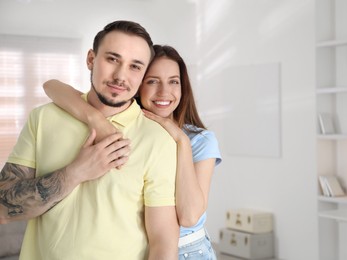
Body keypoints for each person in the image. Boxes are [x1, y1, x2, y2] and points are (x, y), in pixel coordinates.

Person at [0, 21, 179, 259]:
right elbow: (3, 207)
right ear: (91, 60)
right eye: (112, 59)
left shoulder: (157, 139)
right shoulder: (43, 118)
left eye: (135, 66)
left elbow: (163, 241)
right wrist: (75, 173)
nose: (120, 76)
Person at [43, 45, 222, 259]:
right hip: (138, 249)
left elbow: (190, 216)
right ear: (137, 85)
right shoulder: (123, 127)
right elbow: (51, 86)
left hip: (187, 251)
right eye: (152, 81)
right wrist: (96, 120)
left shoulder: (199, 140)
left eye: (173, 81)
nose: (164, 92)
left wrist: (181, 140)